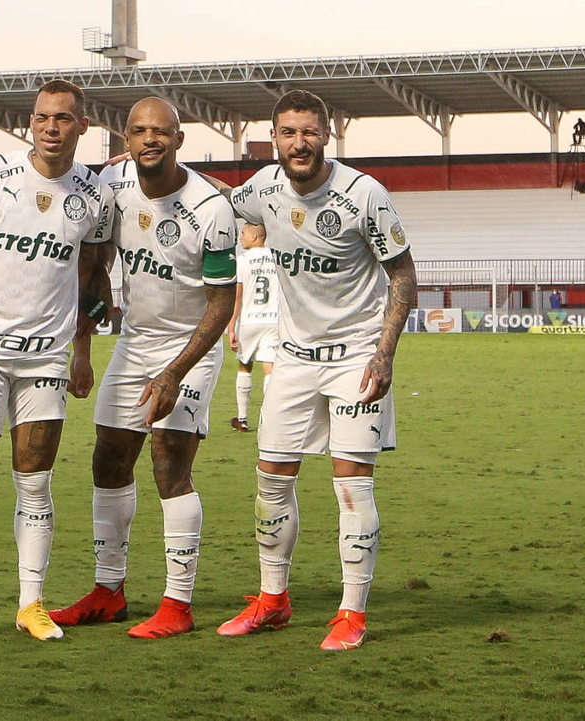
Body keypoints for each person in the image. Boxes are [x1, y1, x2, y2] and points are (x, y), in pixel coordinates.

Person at [217, 89, 417, 651]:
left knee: (352, 488)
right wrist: (161, 170)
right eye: (288, 133)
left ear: (326, 135)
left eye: (309, 132)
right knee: (270, 483)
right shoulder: (264, 189)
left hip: (356, 359)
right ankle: (273, 601)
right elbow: (221, 199)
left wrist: (384, 353)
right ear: (273, 138)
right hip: (293, 359)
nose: (299, 143)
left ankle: (352, 613)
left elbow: (403, 275)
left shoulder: (363, 195)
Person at [0, 78, 115, 646]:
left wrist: (82, 351)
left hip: (46, 358)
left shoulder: (96, 196)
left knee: (35, 484)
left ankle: (31, 604)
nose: (51, 127)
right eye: (42, 117)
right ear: (31, 122)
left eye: (63, 118)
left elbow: (90, 276)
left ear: (82, 126)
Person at [48, 97, 237, 639]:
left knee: (169, 460)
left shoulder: (210, 207)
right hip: (135, 344)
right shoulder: (112, 185)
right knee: (108, 458)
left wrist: (175, 373)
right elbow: (95, 265)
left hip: (191, 347)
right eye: (139, 131)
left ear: (179, 139)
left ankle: (178, 604)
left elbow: (222, 304)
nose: (150, 139)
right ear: (125, 140)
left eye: (161, 131)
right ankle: (108, 591)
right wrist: (82, 349)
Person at [226, 223, 282, 433]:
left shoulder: (242, 261)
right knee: (270, 368)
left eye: (243, 234)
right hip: (273, 319)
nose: (240, 237)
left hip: (250, 320)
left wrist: (231, 327)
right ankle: (270, 420)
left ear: (255, 237)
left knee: (245, 365)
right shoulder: (276, 258)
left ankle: (242, 418)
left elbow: (237, 296)